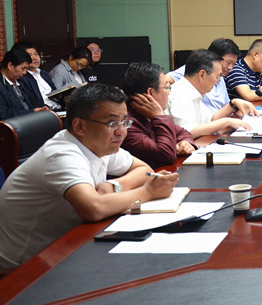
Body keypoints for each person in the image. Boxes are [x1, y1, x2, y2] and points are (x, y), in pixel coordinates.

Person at [0, 83, 179, 269]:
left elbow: (143, 169)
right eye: (112, 123)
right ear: (80, 126)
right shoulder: (62, 155)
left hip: (64, 247)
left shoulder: (99, 143)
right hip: (22, 267)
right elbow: (94, 208)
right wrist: (147, 192)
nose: (121, 132)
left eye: (125, 122)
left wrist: (114, 186)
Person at [121, 62, 197, 169]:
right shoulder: (127, 124)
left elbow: (183, 133)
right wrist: (159, 116)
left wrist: (186, 143)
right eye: (167, 88)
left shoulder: (147, 113)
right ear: (150, 92)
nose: (169, 93)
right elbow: (165, 154)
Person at [166, 49, 256, 138]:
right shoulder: (179, 93)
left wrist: (233, 104)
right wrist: (227, 122)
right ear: (202, 74)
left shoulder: (192, 91)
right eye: (217, 77)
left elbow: (211, 119)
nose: (217, 82)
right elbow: (187, 131)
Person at [168, 38, 239, 111]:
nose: (230, 68)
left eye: (234, 64)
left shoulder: (221, 77)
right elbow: (165, 81)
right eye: (228, 62)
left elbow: (225, 105)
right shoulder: (194, 69)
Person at [0, 49, 49, 119]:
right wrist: (31, 112)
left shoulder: (20, 81)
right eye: (23, 69)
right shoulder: (2, 84)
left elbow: (34, 102)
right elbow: (3, 113)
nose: (25, 72)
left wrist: (43, 108)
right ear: (10, 66)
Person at [11, 42, 60, 110]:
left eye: (36, 54)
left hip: (58, 107)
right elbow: (33, 103)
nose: (34, 58)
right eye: (29, 55)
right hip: (44, 111)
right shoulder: (22, 77)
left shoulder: (43, 73)